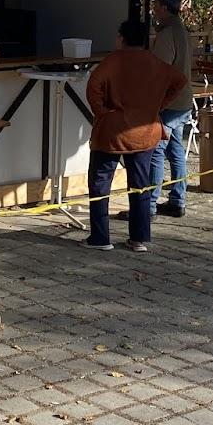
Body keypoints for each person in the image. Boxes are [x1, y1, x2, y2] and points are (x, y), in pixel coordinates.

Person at [85, 18, 187, 253]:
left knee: (100, 184)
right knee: (141, 186)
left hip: (112, 133)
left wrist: (102, 113)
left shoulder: (112, 62)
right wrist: (157, 106)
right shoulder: (155, 63)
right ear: (145, 40)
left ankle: (100, 238)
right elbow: (179, 81)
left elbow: (93, 87)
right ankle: (139, 239)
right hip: (145, 133)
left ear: (121, 38)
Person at [150, 0, 195, 218]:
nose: (153, 8)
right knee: (176, 149)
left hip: (170, 101)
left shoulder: (167, 34)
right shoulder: (182, 30)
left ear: (165, 7)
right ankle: (178, 199)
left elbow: (160, 70)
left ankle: (149, 205)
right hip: (184, 99)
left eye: (156, 4)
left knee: (156, 150)